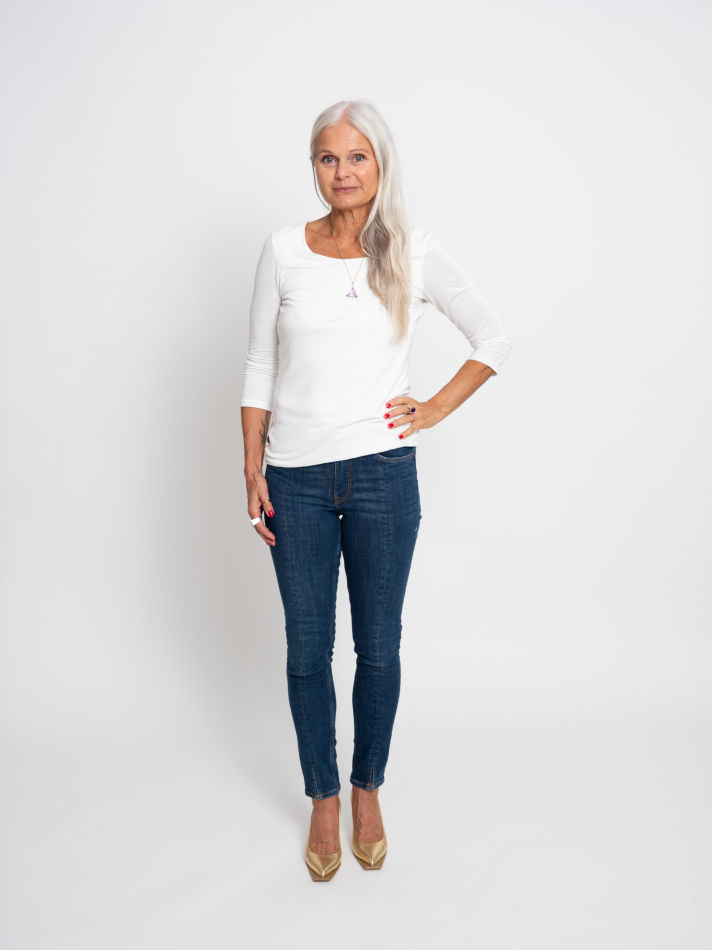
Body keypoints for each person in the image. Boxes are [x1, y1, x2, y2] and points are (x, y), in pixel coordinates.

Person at [240, 99, 511, 881]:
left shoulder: (413, 252)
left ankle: (367, 788)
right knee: (306, 649)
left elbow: (493, 336)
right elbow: (260, 361)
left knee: (379, 647)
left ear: (380, 165)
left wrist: (433, 408)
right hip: (293, 478)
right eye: (328, 158)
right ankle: (322, 796)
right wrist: (251, 464)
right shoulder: (284, 250)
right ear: (314, 167)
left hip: (383, 479)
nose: (343, 172)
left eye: (357, 157)